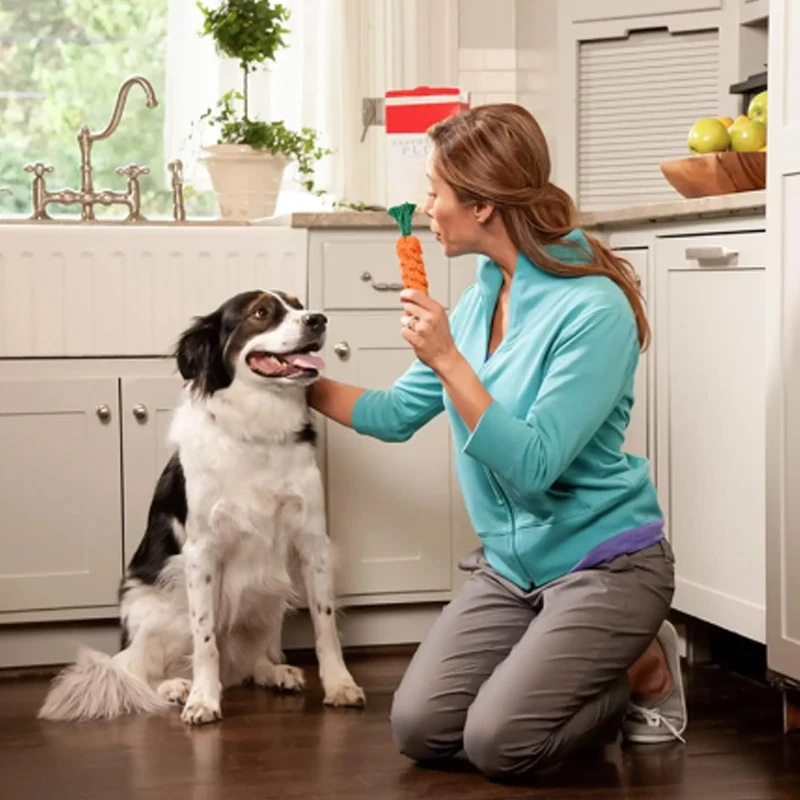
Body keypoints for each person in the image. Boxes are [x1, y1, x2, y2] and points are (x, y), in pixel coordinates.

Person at [308, 104, 686, 781]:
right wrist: (288, 378)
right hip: (512, 570)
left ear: (481, 205)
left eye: (436, 192)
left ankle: (642, 665)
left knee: (498, 743)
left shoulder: (592, 311)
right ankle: (562, 661)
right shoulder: (484, 299)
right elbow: (394, 414)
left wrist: (450, 359)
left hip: (605, 564)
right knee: (419, 726)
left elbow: (536, 465)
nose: (427, 208)